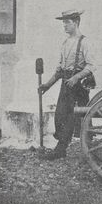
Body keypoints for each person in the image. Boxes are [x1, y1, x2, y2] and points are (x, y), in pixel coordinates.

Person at [39, 9, 95, 160]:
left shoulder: (85, 42)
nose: (64, 25)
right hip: (66, 84)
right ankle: (64, 147)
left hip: (79, 86)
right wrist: (47, 85)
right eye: (63, 22)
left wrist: (76, 77)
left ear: (76, 22)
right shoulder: (65, 43)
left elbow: (91, 66)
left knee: (76, 117)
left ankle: (63, 149)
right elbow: (60, 70)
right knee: (60, 115)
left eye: (67, 22)